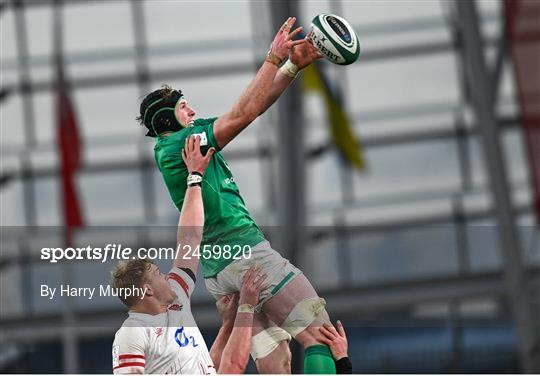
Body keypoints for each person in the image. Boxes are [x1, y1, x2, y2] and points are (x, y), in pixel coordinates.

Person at [138, 16, 337, 374]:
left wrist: (293, 65)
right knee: (319, 336)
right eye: (184, 107)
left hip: (221, 271)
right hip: (244, 252)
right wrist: (274, 59)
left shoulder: (187, 135)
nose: (193, 110)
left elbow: (253, 106)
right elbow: (244, 113)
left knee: (276, 363)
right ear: (167, 120)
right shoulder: (178, 144)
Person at [111, 136, 267, 374]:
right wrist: (246, 307)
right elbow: (233, 367)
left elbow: (190, 240)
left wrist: (194, 178)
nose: (167, 276)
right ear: (147, 290)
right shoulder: (132, 332)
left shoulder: (176, 301)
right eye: (158, 274)